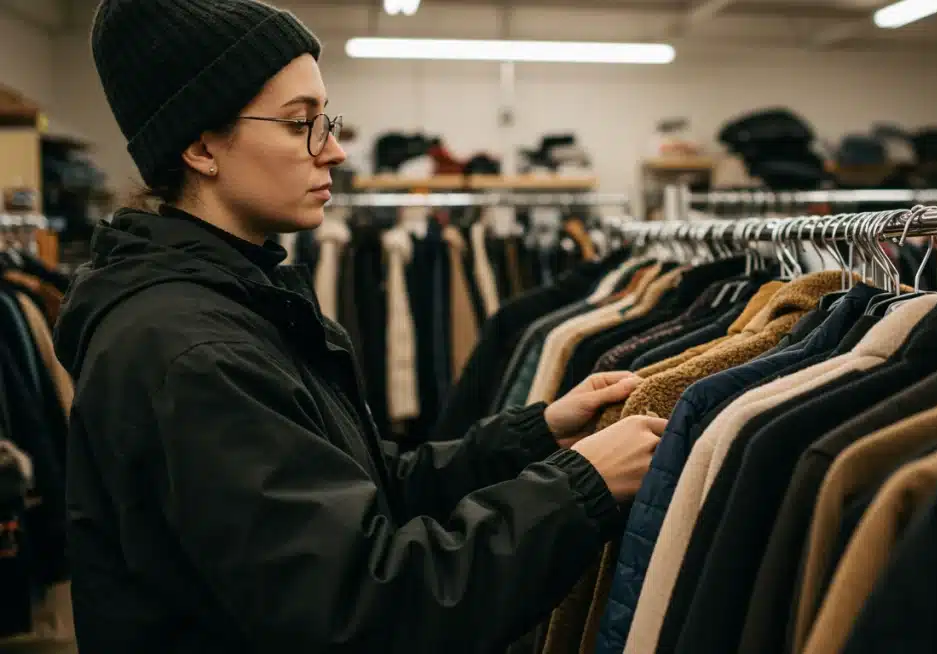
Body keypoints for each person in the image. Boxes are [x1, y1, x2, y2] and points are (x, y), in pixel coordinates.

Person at [52, 1, 667, 652]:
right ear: (201, 146)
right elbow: (364, 607)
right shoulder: (195, 350)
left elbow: (364, 488)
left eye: (327, 121)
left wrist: (531, 436)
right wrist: (578, 489)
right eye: (301, 124)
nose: (335, 150)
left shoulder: (236, 303)